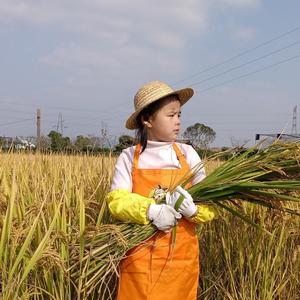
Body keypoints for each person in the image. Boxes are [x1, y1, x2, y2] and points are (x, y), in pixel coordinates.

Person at [106, 80, 217, 300]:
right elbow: (116, 201)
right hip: (140, 257)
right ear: (147, 119)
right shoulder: (130, 156)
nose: (178, 122)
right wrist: (151, 211)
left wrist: (194, 211)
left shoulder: (188, 154)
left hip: (180, 258)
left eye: (179, 115)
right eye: (171, 115)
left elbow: (210, 205)